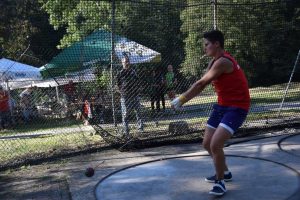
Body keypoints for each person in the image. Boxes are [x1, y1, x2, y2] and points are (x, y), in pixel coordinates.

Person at [171, 30, 250, 196]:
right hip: (222, 106)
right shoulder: (214, 62)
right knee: (207, 143)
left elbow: (201, 84)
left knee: (215, 144)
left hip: (237, 108)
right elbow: (203, 84)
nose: (204, 48)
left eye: (206, 44)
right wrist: (183, 98)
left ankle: (220, 182)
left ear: (217, 44)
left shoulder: (223, 62)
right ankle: (225, 172)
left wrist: (182, 99)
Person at [117, 56, 144, 136]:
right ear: (122, 63)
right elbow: (117, 85)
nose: (127, 63)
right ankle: (126, 130)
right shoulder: (120, 73)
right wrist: (122, 92)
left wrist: (138, 90)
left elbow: (138, 81)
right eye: (125, 61)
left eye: (128, 61)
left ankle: (140, 128)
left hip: (135, 95)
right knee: (125, 114)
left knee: (139, 112)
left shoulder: (133, 72)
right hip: (125, 96)